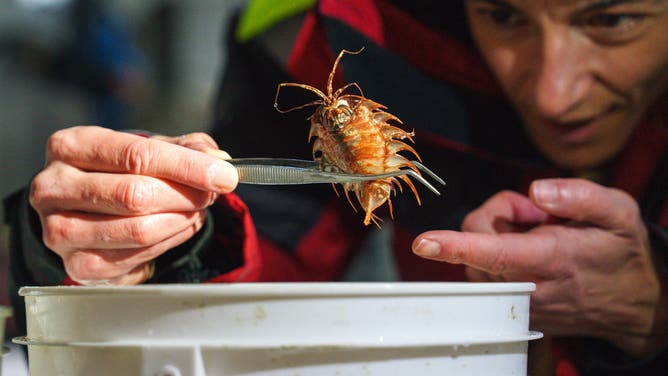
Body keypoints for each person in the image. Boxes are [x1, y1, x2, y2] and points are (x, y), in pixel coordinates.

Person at [4, 0, 668, 374]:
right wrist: (162, 242)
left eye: (614, 21)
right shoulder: (316, 31)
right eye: (501, 14)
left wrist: (659, 304)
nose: (556, 92)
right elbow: (272, 262)